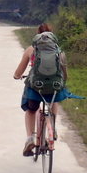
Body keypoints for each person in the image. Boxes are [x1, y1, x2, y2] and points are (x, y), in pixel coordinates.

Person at [13, 23, 71, 156]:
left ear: (37, 35)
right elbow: (64, 74)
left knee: (31, 110)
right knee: (53, 100)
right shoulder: (59, 51)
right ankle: (53, 128)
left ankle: (30, 139)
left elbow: (18, 72)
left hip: (35, 88)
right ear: (52, 35)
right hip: (53, 88)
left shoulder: (31, 50)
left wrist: (17, 76)